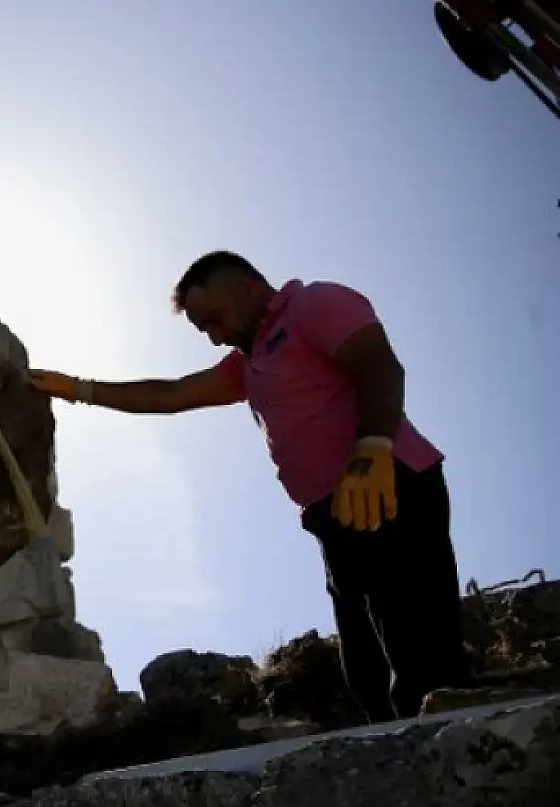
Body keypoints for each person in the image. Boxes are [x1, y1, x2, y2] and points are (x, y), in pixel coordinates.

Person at [29, 250, 471, 723]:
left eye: (214, 320)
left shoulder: (312, 305)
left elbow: (378, 364)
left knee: (419, 651)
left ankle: (461, 752)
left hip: (387, 484)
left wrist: (373, 449)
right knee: (366, 665)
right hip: (334, 517)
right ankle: (401, 763)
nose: (216, 337)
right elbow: (174, 394)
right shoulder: (249, 361)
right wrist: (80, 389)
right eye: (205, 330)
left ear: (245, 287)